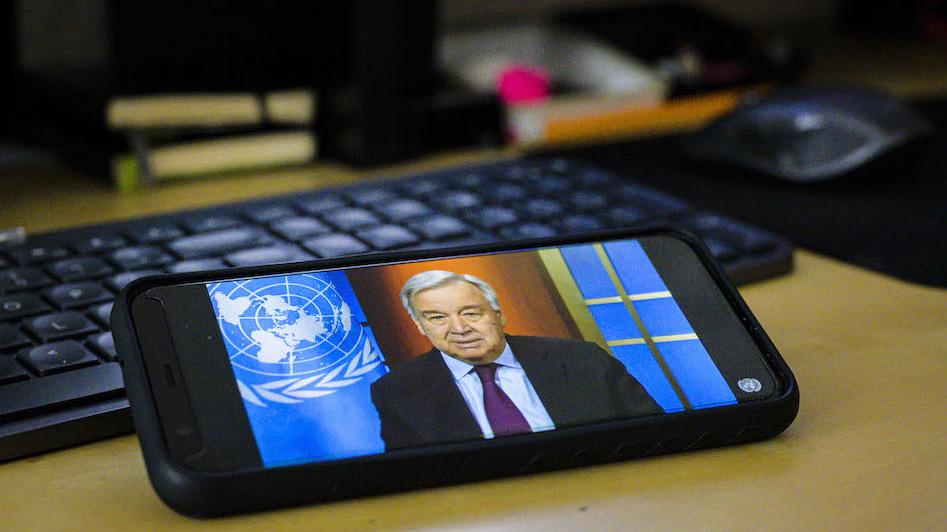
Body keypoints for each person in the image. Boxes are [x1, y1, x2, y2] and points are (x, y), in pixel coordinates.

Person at [370, 270, 661, 451]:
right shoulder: (397, 391)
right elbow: (414, 476)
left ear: (498, 315)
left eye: (470, 313)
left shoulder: (581, 358)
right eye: (437, 318)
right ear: (420, 326)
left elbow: (652, 432)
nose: (459, 328)